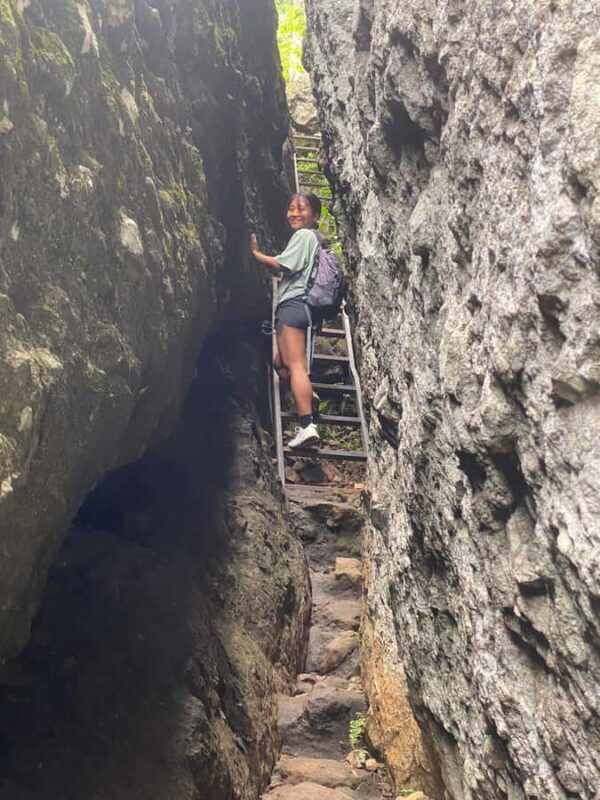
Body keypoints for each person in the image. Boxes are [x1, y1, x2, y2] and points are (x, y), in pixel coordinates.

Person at [251, 192, 322, 449]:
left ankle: (306, 425)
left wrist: (256, 255)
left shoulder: (304, 236)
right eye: (291, 208)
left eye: (301, 209)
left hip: (293, 304)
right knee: (281, 363)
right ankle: (307, 395)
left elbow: (285, 264)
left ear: (314, 215)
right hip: (296, 307)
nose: (294, 213)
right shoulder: (313, 239)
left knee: (295, 366)